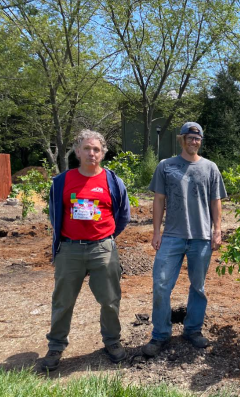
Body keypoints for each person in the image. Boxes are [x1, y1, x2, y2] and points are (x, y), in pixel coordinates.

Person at [41, 129, 131, 371]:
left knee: (110, 300)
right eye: (87, 148)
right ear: (77, 151)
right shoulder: (61, 182)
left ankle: (112, 341)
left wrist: (106, 237)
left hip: (103, 250)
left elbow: (123, 216)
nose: (92, 153)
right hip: (69, 250)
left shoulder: (113, 181)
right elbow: (54, 213)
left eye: (97, 149)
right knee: (63, 301)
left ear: (103, 153)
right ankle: (56, 346)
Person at [142, 122, 227, 357]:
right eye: (190, 137)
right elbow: (159, 200)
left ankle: (193, 330)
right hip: (171, 236)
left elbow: (216, 201)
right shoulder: (166, 166)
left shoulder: (210, 168)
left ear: (201, 141)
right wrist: (156, 231)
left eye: (197, 138)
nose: (194, 141)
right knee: (161, 284)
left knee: (198, 287)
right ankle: (160, 334)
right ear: (182, 139)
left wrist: (217, 230)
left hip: (201, 237)